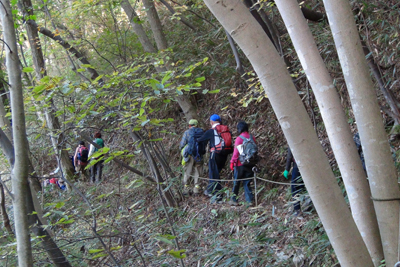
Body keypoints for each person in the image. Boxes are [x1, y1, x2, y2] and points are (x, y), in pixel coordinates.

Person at [197, 114, 232, 203]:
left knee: (213, 174)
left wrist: (201, 151)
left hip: (215, 154)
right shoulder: (226, 129)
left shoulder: (211, 131)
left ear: (211, 122)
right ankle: (210, 191)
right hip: (224, 154)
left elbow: (200, 140)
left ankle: (217, 196)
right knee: (216, 173)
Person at [229, 121, 256, 206]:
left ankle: (234, 200)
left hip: (240, 164)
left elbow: (236, 152)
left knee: (236, 182)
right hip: (251, 163)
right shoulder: (252, 137)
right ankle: (250, 201)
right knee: (247, 183)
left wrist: (232, 162)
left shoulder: (239, 138)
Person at [179, 119, 205, 195]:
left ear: (189, 125)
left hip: (190, 155)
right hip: (199, 155)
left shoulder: (187, 132)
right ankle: (196, 188)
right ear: (197, 125)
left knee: (188, 171)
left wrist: (183, 151)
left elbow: (182, 144)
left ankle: (186, 188)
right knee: (198, 170)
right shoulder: (201, 132)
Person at [283, 147, 305, 215]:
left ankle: (297, 209)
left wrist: (287, 169)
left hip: (298, 165)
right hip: (309, 163)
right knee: (302, 185)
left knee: (294, 187)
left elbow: (290, 155)